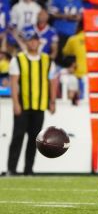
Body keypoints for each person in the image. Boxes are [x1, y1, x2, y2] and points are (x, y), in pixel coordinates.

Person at [7, 28, 56, 175]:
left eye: (35, 40)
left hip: (40, 105)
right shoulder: (18, 60)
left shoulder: (47, 60)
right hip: (23, 104)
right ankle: (12, 168)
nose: (33, 42)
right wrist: (15, 103)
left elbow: (52, 82)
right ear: (26, 42)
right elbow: (14, 83)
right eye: (30, 40)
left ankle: (29, 169)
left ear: (38, 42)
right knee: (18, 137)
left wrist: (52, 101)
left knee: (35, 139)